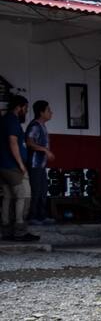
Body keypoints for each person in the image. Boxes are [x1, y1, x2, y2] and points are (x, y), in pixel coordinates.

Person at [0, 94, 38, 242]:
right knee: (24, 196)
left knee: (8, 197)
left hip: (3, 166)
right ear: (19, 107)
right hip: (12, 166)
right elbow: (13, 142)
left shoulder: (3, 120)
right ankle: (20, 231)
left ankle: (6, 230)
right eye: (26, 108)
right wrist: (21, 165)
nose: (26, 111)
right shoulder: (12, 121)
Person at [25, 100, 54, 224]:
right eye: (48, 110)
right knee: (36, 191)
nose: (51, 112)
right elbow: (29, 142)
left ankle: (42, 216)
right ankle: (32, 217)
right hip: (34, 164)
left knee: (43, 191)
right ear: (41, 112)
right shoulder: (35, 125)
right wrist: (45, 150)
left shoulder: (42, 125)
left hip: (41, 165)